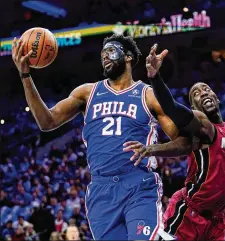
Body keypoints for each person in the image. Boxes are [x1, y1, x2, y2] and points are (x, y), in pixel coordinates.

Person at [12, 34, 198, 240]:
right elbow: (46, 122)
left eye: (110, 51)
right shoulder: (87, 92)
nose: (105, 57)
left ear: (128, 57)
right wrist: (25, 76)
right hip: (101, 190)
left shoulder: (147, 95)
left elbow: (184, 143)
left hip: (138, 185)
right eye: (102, 54)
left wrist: (152, 149)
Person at [123, 45, 225, 240]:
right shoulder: (203, 125)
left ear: (217, 98)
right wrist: (155, 77)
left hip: (216, 220)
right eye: (196, 94)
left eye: (206, 90)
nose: (203, 93)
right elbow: (172, 108)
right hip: (189, 215)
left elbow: (220, 176)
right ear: (194, 108)